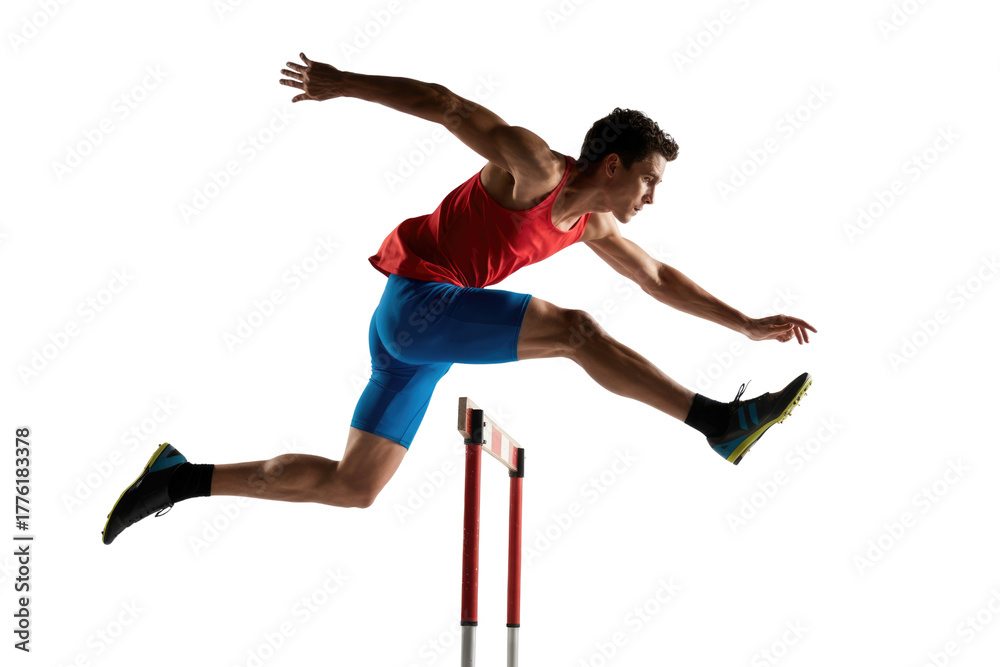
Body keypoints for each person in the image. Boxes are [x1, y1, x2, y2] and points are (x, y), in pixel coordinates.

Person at [102, 53, 817, 545]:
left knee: (355, 486)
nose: (652, 196)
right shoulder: (534, 168)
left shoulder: (591, 224)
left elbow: (657, 278)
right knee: (575, 331)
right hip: (419, 305)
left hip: (416, 339)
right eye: (649, 180)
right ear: (612, 164)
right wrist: (342, 81)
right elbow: (446, 106)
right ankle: (715, 420)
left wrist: (747, 323)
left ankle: (180, 479)